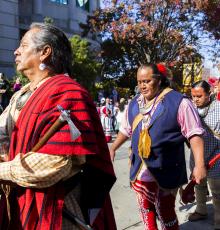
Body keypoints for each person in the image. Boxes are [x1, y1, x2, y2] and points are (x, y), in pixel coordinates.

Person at [0, 22, 116, 230]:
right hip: (21, 201)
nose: (16, 51)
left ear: (45, 52)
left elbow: (55, 164)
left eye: (23, 45)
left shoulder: (68, 93)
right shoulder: (21, 94)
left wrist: (3, 169)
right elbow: (3, 133)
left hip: (57, 209)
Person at [110, 63, 206, 230]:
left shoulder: (179, 102)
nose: (142, 85)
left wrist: (199, 165)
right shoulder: (134, 103)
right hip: (140, 169)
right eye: (139, 81)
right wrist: (113, 148)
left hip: (167, 168)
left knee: (165, 212)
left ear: (159, 80)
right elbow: (126, 129)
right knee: (145, 210)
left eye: (147, 81)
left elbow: (194, 135)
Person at [189, 80, 220, 230]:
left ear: (209, 94)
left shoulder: (219, 109)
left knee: (217, 192)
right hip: (196, 158)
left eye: (199, 96)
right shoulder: (190, 109)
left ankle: (219, 220)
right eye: (193, 96)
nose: (195, 99)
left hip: (216, 158)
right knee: (199, 187)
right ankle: (201, 211)